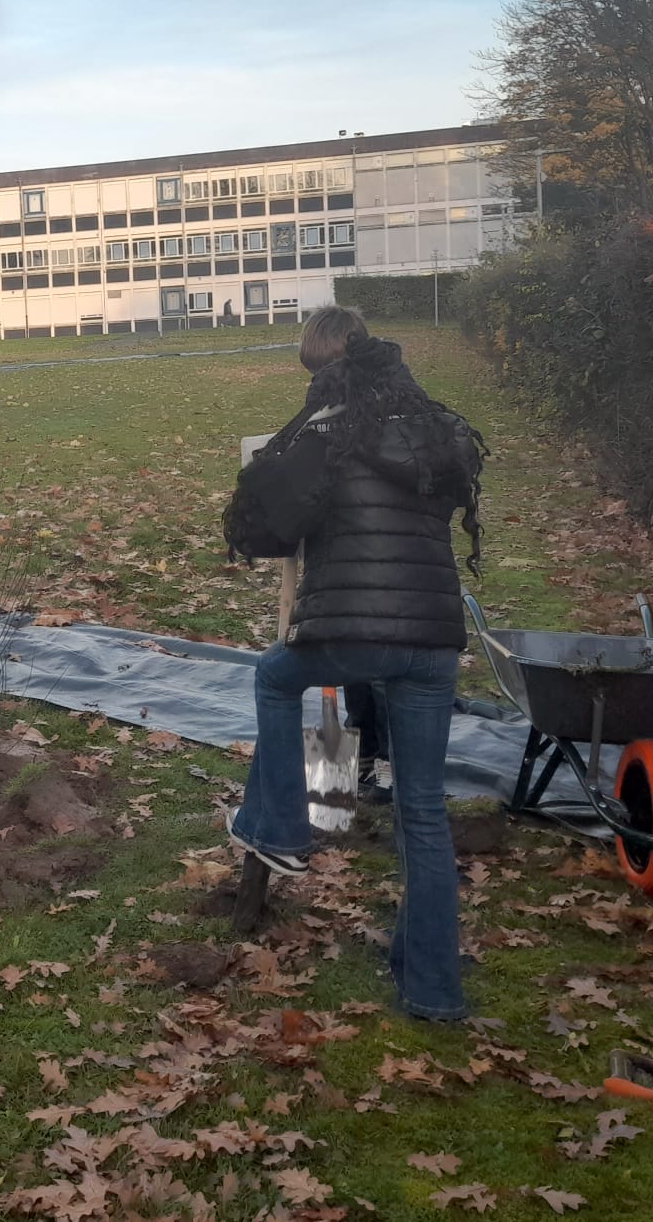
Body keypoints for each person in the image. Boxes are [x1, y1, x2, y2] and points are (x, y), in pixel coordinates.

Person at [219, 305, 486, 1021]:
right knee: (423, 814)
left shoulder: (327, 431)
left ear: (328, 371)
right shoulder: (438, 430)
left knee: (274, 677)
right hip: (434, 640)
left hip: (354, 627)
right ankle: (434, 990)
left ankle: (278, 827)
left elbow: (270, 525)